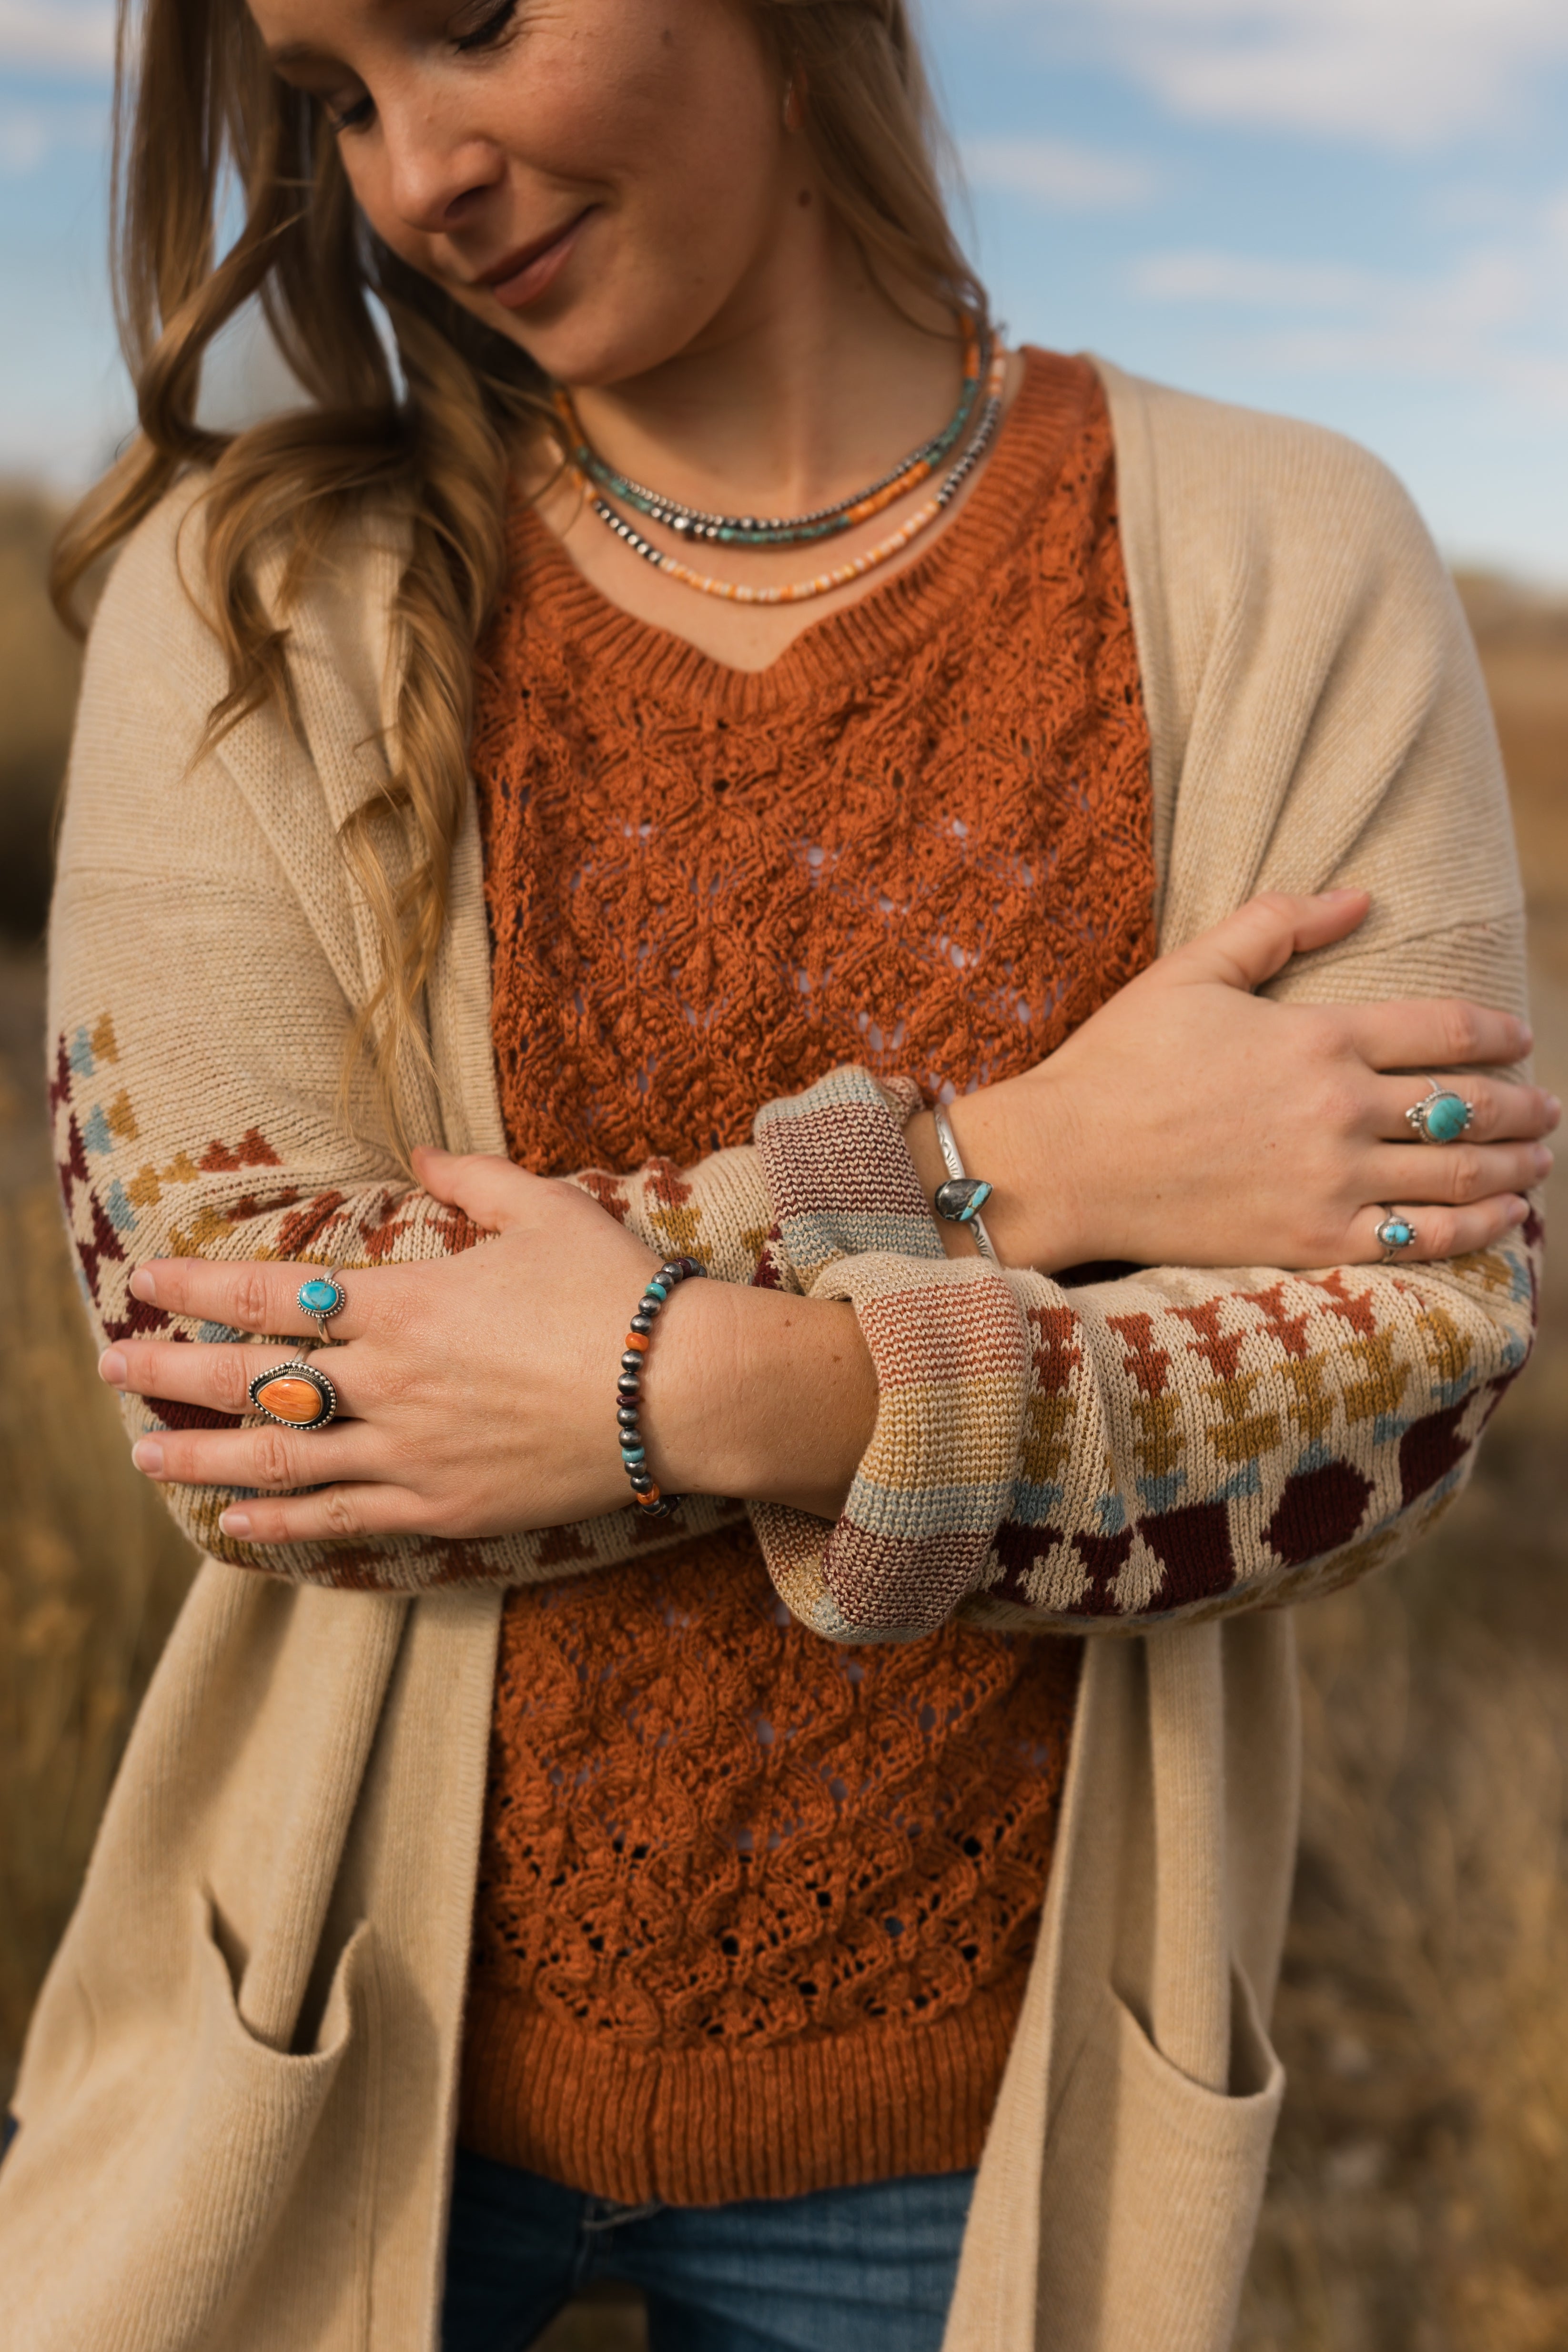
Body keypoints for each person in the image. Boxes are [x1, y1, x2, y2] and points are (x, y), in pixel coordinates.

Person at [0, 1, 1550, 2347]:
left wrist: (713, 1391)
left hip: (976, 2132)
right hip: (316, 2041)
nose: (414, 173)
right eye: (333, 97)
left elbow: (1410, 1378)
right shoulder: (259, 589)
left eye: (469, 21)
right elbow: (234, 1381)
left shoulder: (1276, 550)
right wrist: (999, 1165)